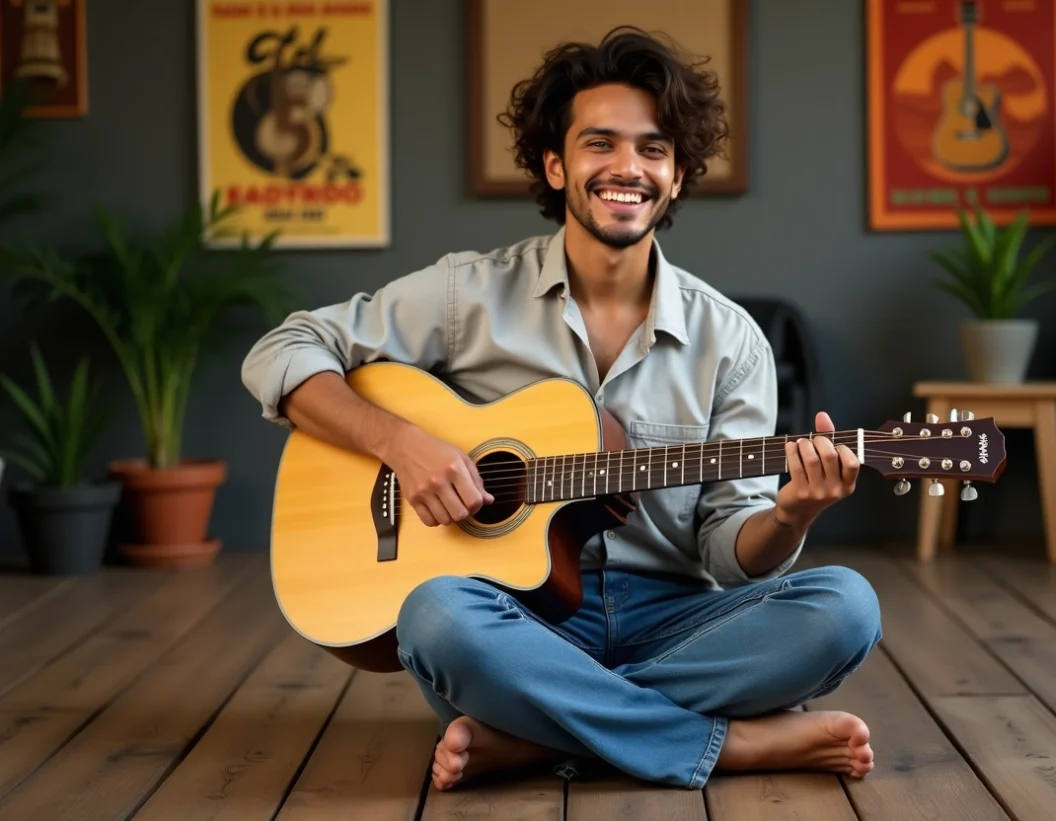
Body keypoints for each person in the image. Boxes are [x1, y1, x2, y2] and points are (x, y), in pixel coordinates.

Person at [241, 26, 881, 793]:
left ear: (676, 176)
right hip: (519, 621)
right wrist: (402, 443)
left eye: (653, 149)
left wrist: (792, 516)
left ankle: (536, 738)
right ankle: (728, 744)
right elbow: (282, 350)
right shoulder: (467, 293)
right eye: (600, 143)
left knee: (846, 607)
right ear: (556, 163)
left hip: (676, 622)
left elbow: (725, 553)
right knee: (436, 616)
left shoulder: (731, 340)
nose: (627, 168)